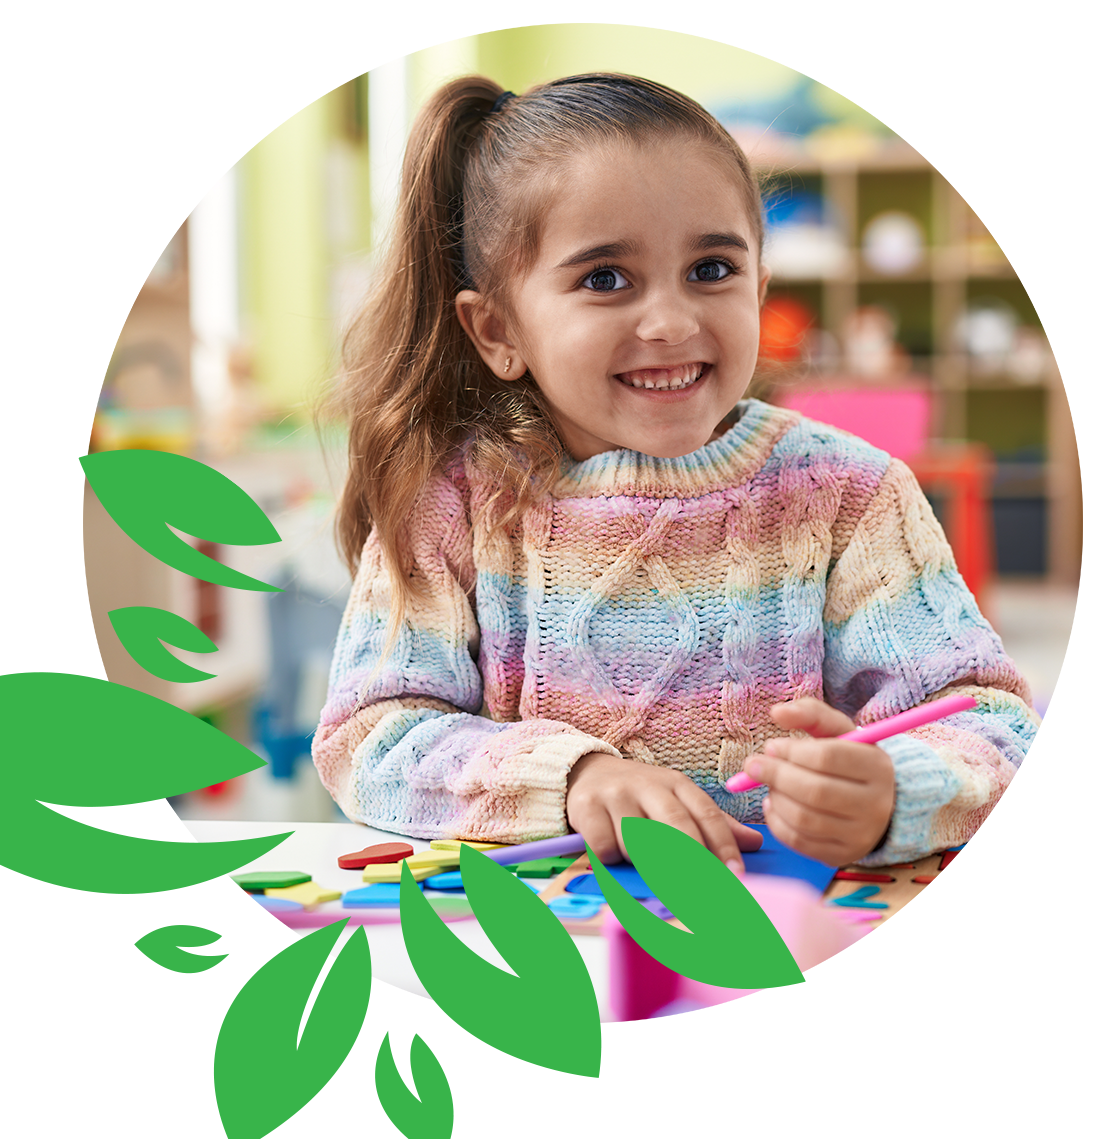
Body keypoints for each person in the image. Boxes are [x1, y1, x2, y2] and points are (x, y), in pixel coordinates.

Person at [313, 73, 1036, 872]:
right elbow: (370, 734)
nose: (671, 320)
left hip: (781, 942)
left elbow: (988, 716)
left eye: (712, 269)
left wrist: (897, 791)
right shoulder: (450, 499)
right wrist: (573, 778)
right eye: (604, 279)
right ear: (497, 329)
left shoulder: (853, 496)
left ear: (761, 287)